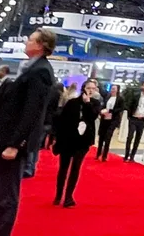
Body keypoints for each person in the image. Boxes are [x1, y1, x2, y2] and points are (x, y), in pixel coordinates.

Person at [0, 29, 56, 236]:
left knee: (6, 193)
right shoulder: (29, 68)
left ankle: (1, 232)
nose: (26, 42)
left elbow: (32, 112)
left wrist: (16, 144)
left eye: (31, 40)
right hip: (4, 137)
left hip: (13, 142)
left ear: (41, 45)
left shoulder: (40, 71)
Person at [53, 78, 100, 207]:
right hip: (68, 139)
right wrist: (57, 138)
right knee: (63, 168)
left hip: (83, 141)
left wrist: (88, 103)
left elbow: (93, 116)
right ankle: (58, 195)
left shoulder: (95, 103)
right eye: (89, 88)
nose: (91, 90)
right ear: (83, 88)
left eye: (93, 88)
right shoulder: (72, 103)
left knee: (75, 168)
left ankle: (68, 197)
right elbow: (62, 121)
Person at [123, 81, 144, 162]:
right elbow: (129, 105)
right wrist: (129, 116)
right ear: (142, 87)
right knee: (130, 137)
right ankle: (126, 155)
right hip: (133, 118)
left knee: (138, 138)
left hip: (142, 120)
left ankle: (132, 156)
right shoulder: (135, 95)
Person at [96, 84, 125, 161]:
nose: (112, 90)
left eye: (114, 89)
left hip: (113, 120)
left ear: (117, 90)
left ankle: (104, 155)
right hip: (104, 119)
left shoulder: (120, 99)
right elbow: (103, 105)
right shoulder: (107, 97)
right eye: (112, 88)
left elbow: (121, 108)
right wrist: (101, 111)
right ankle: (98, 153)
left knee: (108, 137)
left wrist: (110, 111)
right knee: (101, 136)